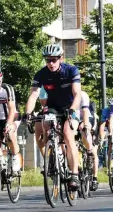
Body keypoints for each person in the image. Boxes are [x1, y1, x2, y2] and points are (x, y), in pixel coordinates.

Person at [24, 44, 82, 190]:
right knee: (47, 127)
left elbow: (77, 94)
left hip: (70, 107)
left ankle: (74, 174)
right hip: (53, 107)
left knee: (68, 134)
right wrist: (28, 113)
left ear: (61, 58)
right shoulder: (41, 74)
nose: (51, 63)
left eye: (54, 60)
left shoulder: (71, 70)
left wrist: (72, 110)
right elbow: (34, 95)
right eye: (48, 60)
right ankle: (53, 158)